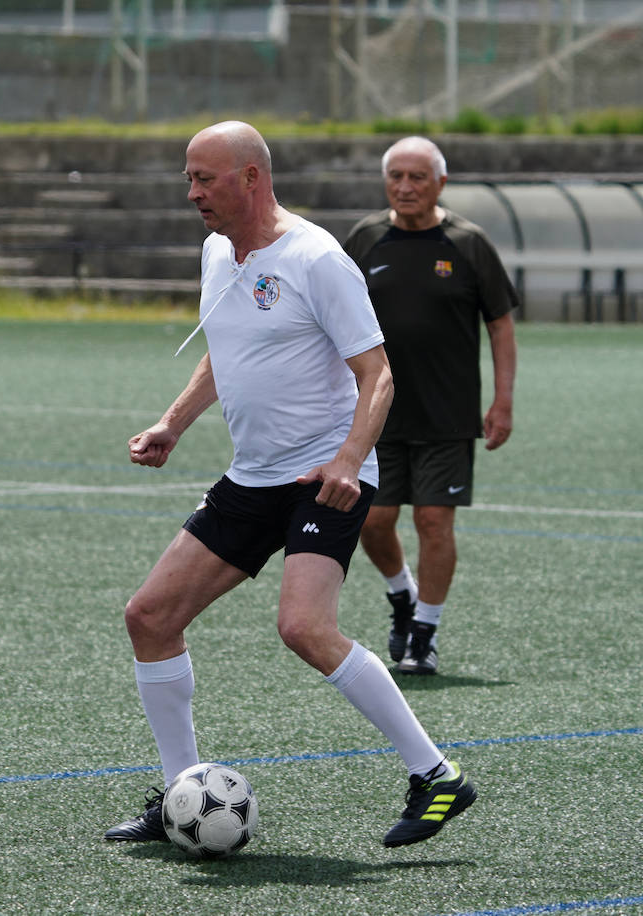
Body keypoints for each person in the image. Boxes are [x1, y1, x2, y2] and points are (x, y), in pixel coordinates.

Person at [104, 122, 475, 850]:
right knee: (149, 617)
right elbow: (224, 349)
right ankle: (184, 793)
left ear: (250, 177)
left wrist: (346, 460)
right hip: (255, 474)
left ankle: (435, 774)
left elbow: (380, 374)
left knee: (304, 627)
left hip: (321, 475)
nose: (192, 193)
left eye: (204, 179)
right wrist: (173, 424)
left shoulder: (315, 258)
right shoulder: (218, 251)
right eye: (188, 178)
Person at [342, 136, 518, 676]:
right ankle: (401, 594)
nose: (405, 186)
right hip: (376, 411)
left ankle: (425, 631)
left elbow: (501, 325)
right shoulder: (366, 239)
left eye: (418, 177)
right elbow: (333, 316)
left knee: (435, 522)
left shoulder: (468, 243)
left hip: (448, 414)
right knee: (373, 520)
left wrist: (503, 400)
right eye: (396, 175)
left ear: (440, 183)